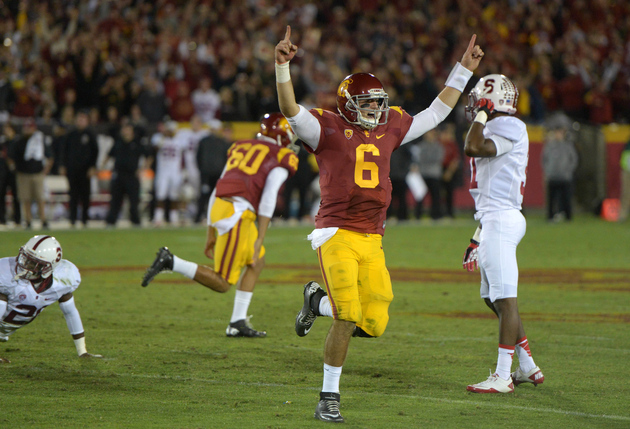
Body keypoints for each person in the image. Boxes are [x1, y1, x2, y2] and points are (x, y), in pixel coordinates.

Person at [275, 26, 483, 422]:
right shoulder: (328, 128)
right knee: (347, 315)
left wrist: (462, 71)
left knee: (375, 323)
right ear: (349, 104)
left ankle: (314, 301)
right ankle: (328, 396)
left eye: (378, 103)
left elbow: (436, 112)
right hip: (336, 232)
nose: (375, 110)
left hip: (373, 237)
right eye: (368, 103)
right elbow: (290, 110)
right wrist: (281, 67)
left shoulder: (391, 127)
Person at [141, 113, 299, 338]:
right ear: (282, 135)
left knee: (257, 261)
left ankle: (237, 321)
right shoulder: (281, 156)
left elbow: (220, 185)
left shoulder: (241, 147)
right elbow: (268, 200)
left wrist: (210, 230)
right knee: (223, 282)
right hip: (238, 213)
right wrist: (259, 238)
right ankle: (171, 262)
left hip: (223, 207)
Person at [461, 74, 544, 393]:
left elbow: (473, 145)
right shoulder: (499, 126)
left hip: (502, 218)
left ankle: (502, 376)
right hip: (492, 218)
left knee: (505, 299)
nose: (474, 105)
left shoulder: (508, 125)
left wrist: (483, 113)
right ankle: (527, 365)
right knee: (490, 296)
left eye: (480, 99)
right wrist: (477, 235)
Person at [0, 235, 101, 363]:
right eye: (25, 258)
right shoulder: (4, 270)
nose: (24, 264)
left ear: (47, 268)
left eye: (33, 263)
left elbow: (70, 312)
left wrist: (82, 351)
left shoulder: (63, 280)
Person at [102, 123, 152, 227]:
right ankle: (111, 222)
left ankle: (135, 221)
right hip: (119, 175)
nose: (126, 131)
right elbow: (109, 155)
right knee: (115, 201)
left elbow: (149, 156)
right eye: (124, 129)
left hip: (132, 176)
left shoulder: (137, 143)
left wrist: (143, 169)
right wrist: (102, 167)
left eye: (128, 129)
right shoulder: (118, 142)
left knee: (134, 202)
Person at [7, 118, 53, 229]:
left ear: (34, 128)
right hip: (23, 174)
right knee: (25, 198)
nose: (27, 130)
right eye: (26, 127)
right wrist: (14, 168)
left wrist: (46, 170)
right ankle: (28, 220)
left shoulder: (39, 140)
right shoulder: (19, 141)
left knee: (40, 198)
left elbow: (50, 156)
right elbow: (10, 156)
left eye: (30, 127)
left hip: (37, 173)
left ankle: (43, 219)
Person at [59, 110, 99, 227]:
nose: (81, 121)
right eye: (79, 119)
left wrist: (92, 167)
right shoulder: (70, 134)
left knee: (85, 195)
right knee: (73, 195)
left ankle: (84, 219)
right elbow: (64, 150)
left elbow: (95, 152)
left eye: (83, 119)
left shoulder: (90, 135)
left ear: (87, 121)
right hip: (72, 169)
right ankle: (72, 219)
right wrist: (63, 165)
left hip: (85, 170)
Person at [541, 124, 579, 222]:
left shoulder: (568, 146)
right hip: (552, 176)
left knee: (566, 197)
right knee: (551, 199)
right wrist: (548, 171)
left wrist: (568, 171)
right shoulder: (549, 146)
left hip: (565, 177)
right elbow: (544, 159)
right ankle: (550, 216)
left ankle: (568, 216)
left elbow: (574, 159)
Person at [151, 121, 185, 226]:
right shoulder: (159, 138)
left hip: (175, 171)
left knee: (174, 195)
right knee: (160, 195)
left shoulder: (179, 140)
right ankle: (158, 218)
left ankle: (173, 218)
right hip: (163, 171)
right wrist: (164, 136)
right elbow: (155, 147)